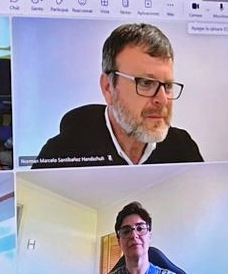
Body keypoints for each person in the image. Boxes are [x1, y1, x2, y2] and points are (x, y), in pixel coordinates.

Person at [36, 22, 204, 167]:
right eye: (146, 83)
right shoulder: (60, 154)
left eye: (167, 86)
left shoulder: (183, 148)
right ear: (108, 88)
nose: (162, 99)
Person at [83, 201, 190, 274]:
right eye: (126, 231)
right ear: (119, 242)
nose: (134, 235)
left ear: (149, 236)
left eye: (140, 228)